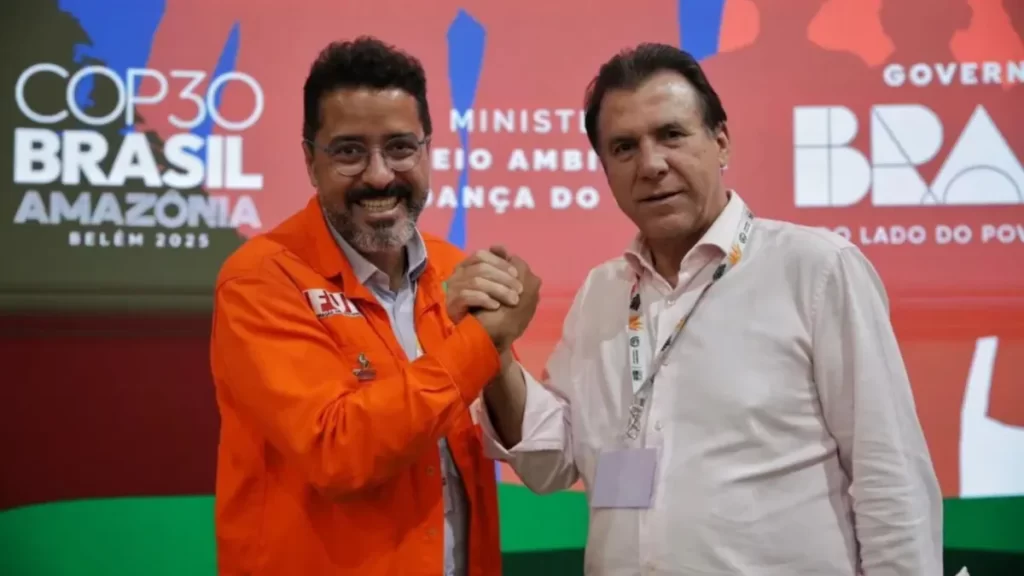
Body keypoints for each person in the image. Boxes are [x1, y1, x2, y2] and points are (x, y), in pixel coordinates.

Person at [461, 43, 944, 575]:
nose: (651, 165)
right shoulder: (602, 291)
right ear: (605, 170)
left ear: (721, 142)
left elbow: (890, 477)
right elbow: (550, 461)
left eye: (671, 135)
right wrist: (494, 352)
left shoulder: (817, 270)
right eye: (624, 147)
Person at [209, 36, 539, 576]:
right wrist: (482, 341)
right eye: (349, 152)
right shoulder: (261, 278)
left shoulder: (453, 268)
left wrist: (498, 353)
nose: (380, 174)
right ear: (310, 161)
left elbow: (525, 445)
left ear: (428, 151)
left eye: (401, 147)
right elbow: (337, 452)